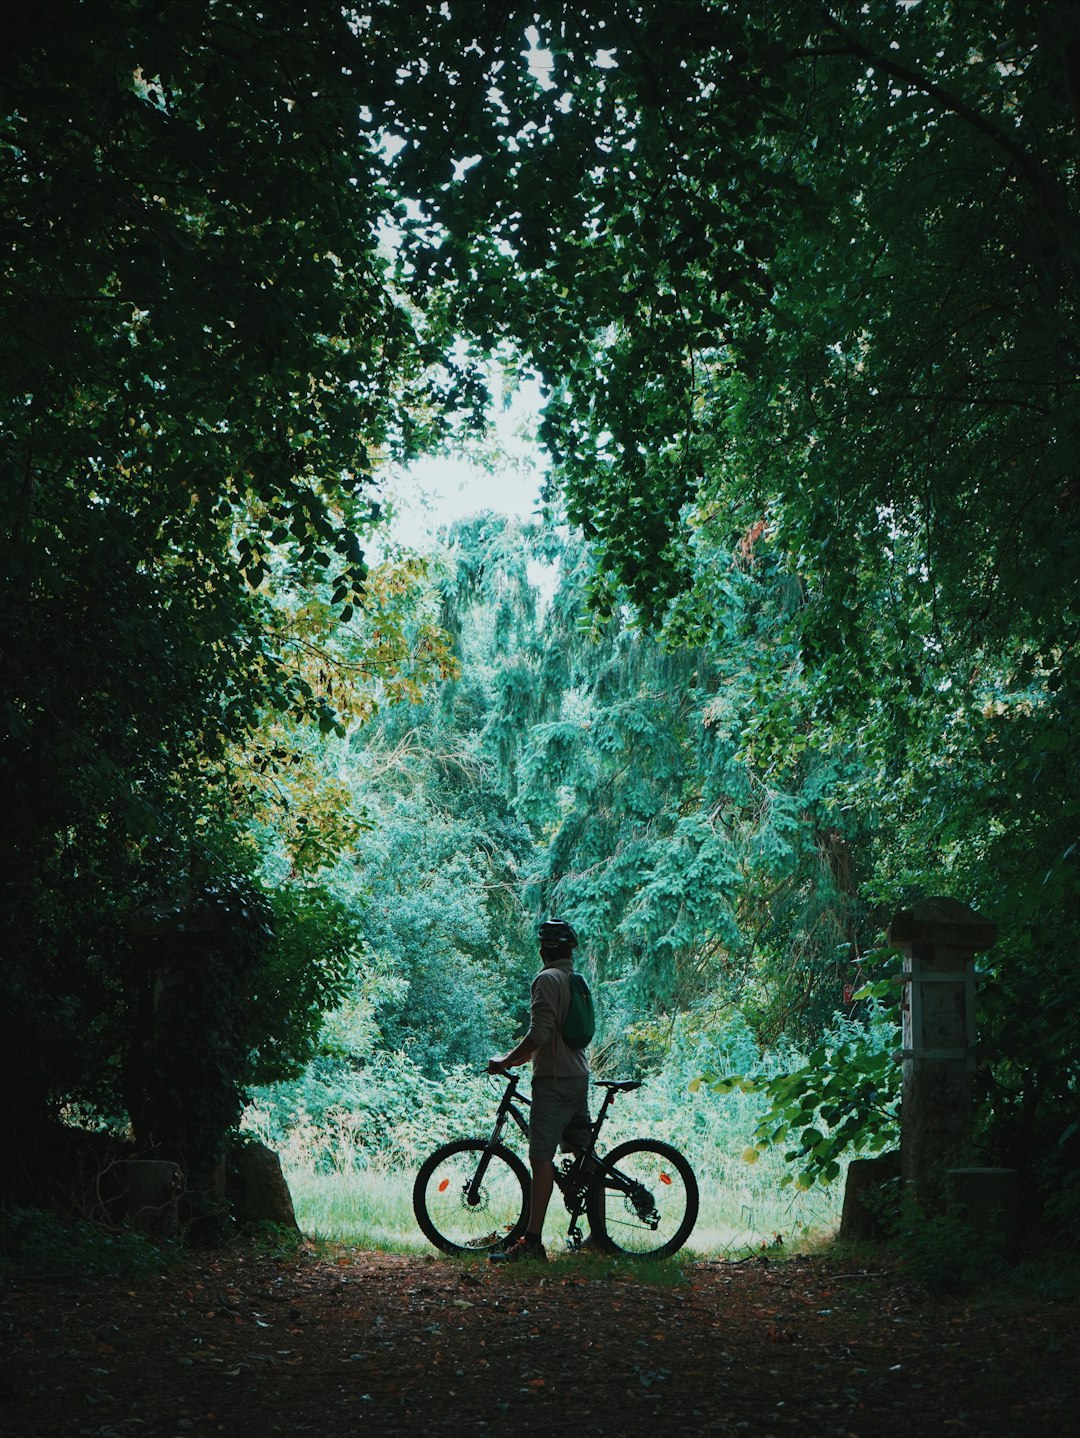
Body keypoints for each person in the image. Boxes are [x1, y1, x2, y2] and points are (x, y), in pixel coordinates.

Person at [486, 917, 592, 1262]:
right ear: (568, 950)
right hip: (577, 1077)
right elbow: (554, 1032)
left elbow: (540, 1033)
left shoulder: (546, 979)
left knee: (540, 1158)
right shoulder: (575, 980)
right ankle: (601, 1236)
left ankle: (532, 1242)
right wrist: (518, 1058)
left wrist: (505, 1061)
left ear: (543, 949)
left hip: (554, 1081)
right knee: (587, 1157)